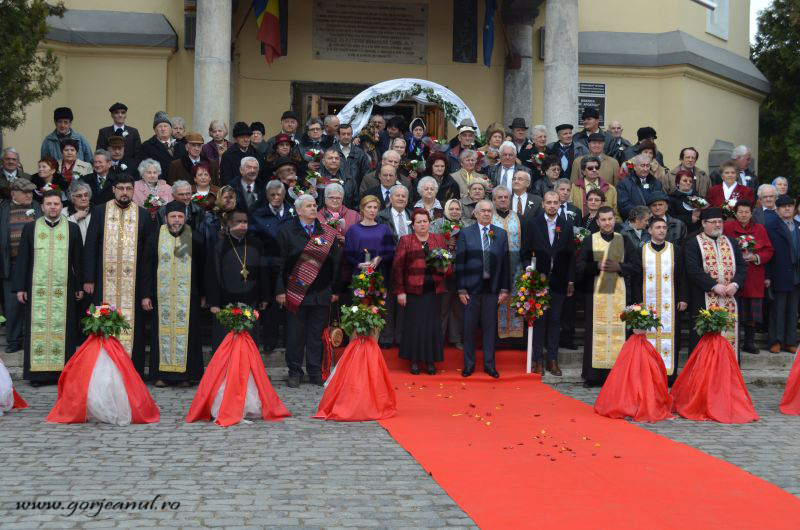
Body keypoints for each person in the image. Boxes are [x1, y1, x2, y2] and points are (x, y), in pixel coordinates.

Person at [83, 174, 155, 375]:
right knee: (102, 321)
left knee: (133, 327)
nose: (125, 192)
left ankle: (132, 370)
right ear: (113, 189)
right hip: (103, 280)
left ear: (133, 190)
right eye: (121, 188)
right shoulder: (99, 211)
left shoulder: (142, 214)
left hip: (133, 285)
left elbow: (148, 257)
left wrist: (146, 292)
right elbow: (90, 246)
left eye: (128, 188)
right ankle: (102, 369)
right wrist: (88, 279)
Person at [275, 195, 341, 388]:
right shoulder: (286, 231)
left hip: (321, 293)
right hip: (296, 293)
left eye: (314, 205)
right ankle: (294, 371)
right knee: (295, 335)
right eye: (309, 206)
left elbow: (336, 264)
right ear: (299, 210)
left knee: (316, 335)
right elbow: (278, 264)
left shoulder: (327, 232)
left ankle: (315, 371)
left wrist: (334, 289)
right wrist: (280, 290)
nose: (313, 209)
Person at [576, 206, 642, 386]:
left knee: (618, 334)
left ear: (615, 220)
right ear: (597, 222)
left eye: (610, 219)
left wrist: (620, 267)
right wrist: (596, 265)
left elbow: (637, 267)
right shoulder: (590, 240)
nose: (607, 223)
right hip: (596, 295)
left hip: (619, 295)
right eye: (603, 220)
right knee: (594, 334)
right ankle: (592, 376)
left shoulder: (625, 240)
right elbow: (580, 266)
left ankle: (617, 375)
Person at [142, 201, 206, 387]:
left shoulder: (194, 237)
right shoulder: (156, 237)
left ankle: (186, 375)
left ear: (185, 217)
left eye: (180, 216)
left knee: (188, 335)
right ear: (166, 218)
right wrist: (145, 295)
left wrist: (203, 294)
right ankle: (161, 375)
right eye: (173, 217)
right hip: (161, 298)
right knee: (160, 335)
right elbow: (147, 267)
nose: (177, 220)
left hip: (188, 297)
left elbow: (203, 267)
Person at [520, 190, 575, 375]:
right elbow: (525, 251)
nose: (552, 205)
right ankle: (538, 360)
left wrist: (570, 279)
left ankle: (552, 359)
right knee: (539, 320)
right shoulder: (532, 224)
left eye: (555, 202)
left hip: (559, 280)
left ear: (560, 204)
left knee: (555, 320)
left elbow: (570, 255)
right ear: (542, 204)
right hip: (538, 280)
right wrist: (528, 268)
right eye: (549, 202)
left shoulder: (566, 225)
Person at [455, 200, 510, 378]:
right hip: (470, 289)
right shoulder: (465, 233)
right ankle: (469, 365)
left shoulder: (500, 234)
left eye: (489, 211)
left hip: (492, 289)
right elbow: (460, 262)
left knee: (489, 329)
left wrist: (504, 288)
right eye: (483, 211)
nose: (486, 214)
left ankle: (489, 365)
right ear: (476, 214)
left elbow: (505, 263)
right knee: (469, 328)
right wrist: (461, 289)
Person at [392, 209, 448, 374]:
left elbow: (448, 264)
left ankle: (431, 361)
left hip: (434, 291)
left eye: (425, 221)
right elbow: (398, 268)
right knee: (414, 327)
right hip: (413, 291)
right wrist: (400, 291)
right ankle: (414, 361)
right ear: (413, 225)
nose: (423, 224)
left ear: (429, 223)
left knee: (432, 327)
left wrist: (446, 268)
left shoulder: (438, 239)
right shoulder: (406, 240)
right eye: (419, 222)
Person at [684, 208, 747, 354]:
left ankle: (727, 372)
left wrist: (735, 284)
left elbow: (742, 266)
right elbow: (692, 269)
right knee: (702, 339)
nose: (718, 225)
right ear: (704, 223)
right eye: (713, 222)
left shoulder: (731, 242)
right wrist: (713, 285)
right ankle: (702, 373)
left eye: (720, 222)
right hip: (703, 297)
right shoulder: (693, 242)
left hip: (729, 297)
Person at [205, 209, 270, 351]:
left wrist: (264, 297)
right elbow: (212, 275)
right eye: (239, 222)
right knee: (226, 342)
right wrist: (214, 302)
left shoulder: (256, 244)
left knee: (249, 340)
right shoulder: (218, 245)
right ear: (229, 224)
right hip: (225, 302)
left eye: (245, 222)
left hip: (250, 299)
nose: (243, 225)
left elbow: (262, 272)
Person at [641, 216, 689, 383]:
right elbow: (637, 278)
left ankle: (669, 376)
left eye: (664, 227)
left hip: (671, 303)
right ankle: (648, 374)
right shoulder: (642, 250)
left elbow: (683, 275)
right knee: (647, 337)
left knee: (672, 336)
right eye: (657, 227)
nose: (661, 230)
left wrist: (683, 298)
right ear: (650, 230)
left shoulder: (676, 250)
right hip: (648, 304)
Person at [249, 179, 295, 350]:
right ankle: (270, 341)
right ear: (267, 196)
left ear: (284, 194)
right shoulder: (258, 215)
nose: (276, 197)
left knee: (291, 305)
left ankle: (291, 341)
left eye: (279, 194)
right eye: (272, 195)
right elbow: (255, 243)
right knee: (270, 307)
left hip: (290, 265)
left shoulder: (293, 213)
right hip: (268, 266)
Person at [723, 200, 773, 353]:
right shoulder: (728, 227)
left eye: (746, 212)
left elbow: (769, 250)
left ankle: (749, 342)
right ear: (735, 213)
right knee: (734, 308)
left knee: (752, 311)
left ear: (751, 213)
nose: (743, 215)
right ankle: (733, 342)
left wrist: (756, 257)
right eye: (740, 212)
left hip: (754, 274)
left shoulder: (760, 229)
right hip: (733, 274)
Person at [0, 179, 42, 354]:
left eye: (30, 192)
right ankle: (14, 340)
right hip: (10, 263)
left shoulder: (38, 207)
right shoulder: (3, 209)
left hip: (35, 264)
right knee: (12, 304)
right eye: (24, 192)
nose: (28, 195)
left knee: (35, 303)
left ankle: (30, 339)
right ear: (13, 193)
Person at [430, 198, 471, 349]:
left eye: (457, 209)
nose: (454, 212)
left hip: (461, 271)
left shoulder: (467, 225)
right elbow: (430, 244)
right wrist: (445, 243)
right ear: (446, 209)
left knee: (458, 308)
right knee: (442, 308)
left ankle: (456, 338)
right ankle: (438, 339)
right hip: (442, 271)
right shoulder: (437, 224)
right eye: (451, 209)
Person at [765, 195, 800, 354]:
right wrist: (767, 276)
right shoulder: (771, 227)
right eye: (783, 207)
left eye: (790, 206)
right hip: (779, 272)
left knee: (793, 310)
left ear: (794, 209)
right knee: (778, 310)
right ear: (777, 210)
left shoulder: (799, 225)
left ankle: (790, 341)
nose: (787, 209)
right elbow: (767, 253)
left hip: (797, 273)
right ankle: (776, 341)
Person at [377, 185, 410, 348]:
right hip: (387, 265)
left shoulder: (412, 215)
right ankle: (387, 338)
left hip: (409, 267)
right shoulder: (381, 216)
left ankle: (402, 337)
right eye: (397, 195)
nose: (401, 198)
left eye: (404, 196)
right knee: (388, 302)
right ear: (390, 198)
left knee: (405, 303)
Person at [491, 186, 525, 341]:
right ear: (494, 200)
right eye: (500, 197)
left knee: (517, 298)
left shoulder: (519, 218)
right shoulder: (488, 217)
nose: (503, 199)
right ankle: (497, 339)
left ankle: (516, 338)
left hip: (517, 267)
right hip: (495, 268)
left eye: (506, 197)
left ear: (510, 199)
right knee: (497, 299)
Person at [344, 195, 395, 286]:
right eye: (369, 207)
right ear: (362, 209)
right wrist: (358, 264)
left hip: (379, 275)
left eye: (375, 207)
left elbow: (391, 252)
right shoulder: (353, 229)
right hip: (359, 275)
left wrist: (380, 258)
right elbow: (348, 254)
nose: (372, 210)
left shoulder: (384, 228)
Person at [569, 155, 620, 220]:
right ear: (583, 171)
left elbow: (615, 214)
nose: (594, 170)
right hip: (580, 226)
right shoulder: (573, 188)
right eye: (590, 168)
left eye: (597, 167)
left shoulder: (611, 189)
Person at [616, 153, 665, 220]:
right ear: (635, 167)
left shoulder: (656, 183)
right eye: (642, 166)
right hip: (635, 221)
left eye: (647, 166)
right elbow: (624, 206)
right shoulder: (624, 184)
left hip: (654, 221)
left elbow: (662, 201)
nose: (645, 169)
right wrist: (643, 215)